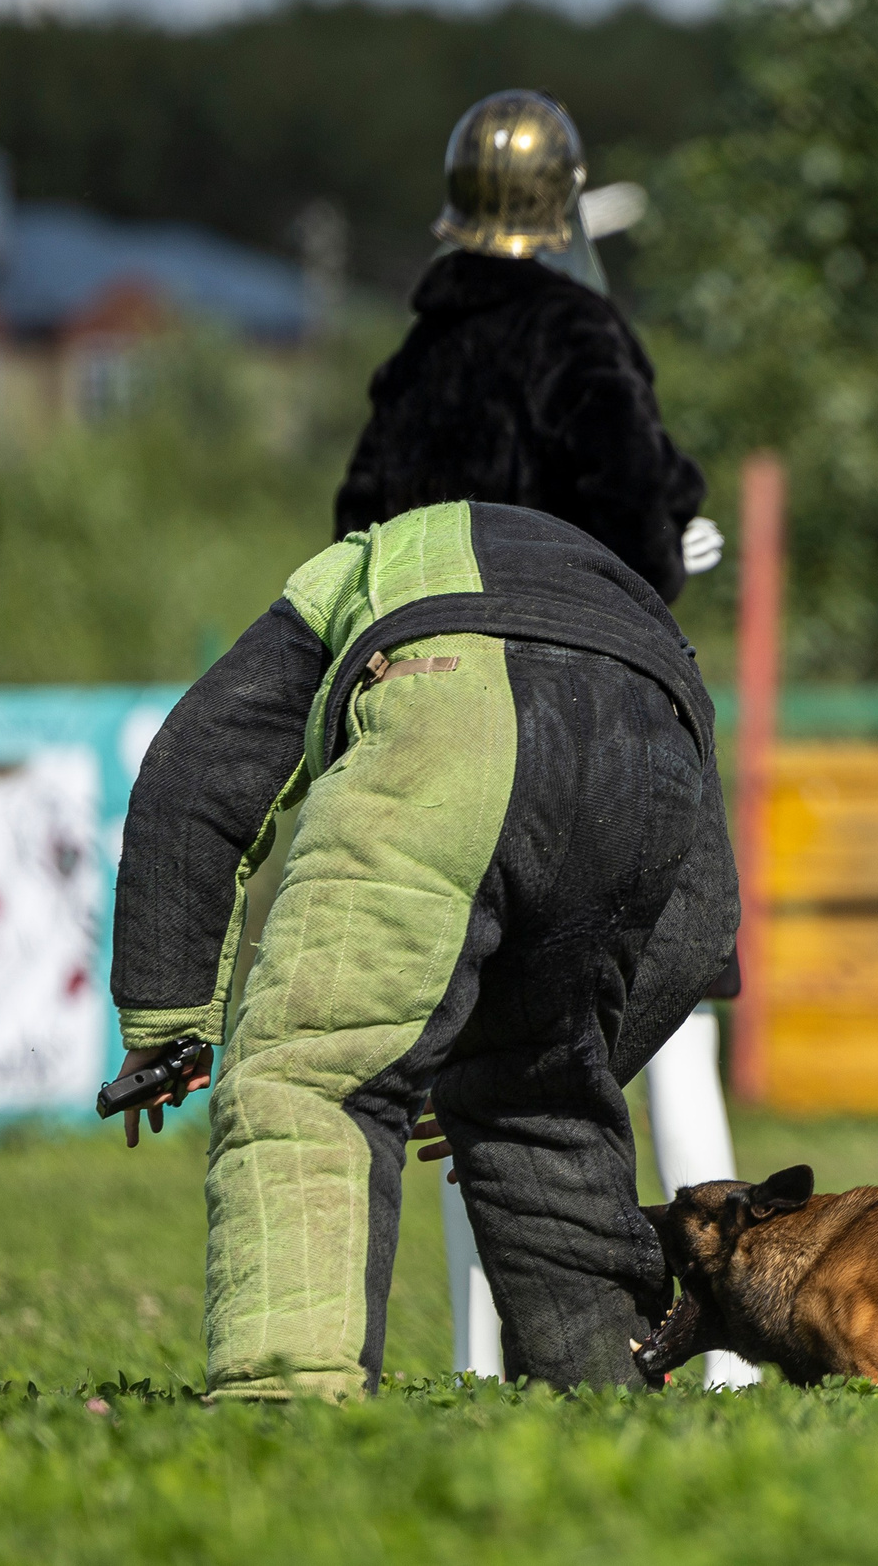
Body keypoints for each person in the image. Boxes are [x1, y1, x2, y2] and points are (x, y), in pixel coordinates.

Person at [105, 500, 739, 1400]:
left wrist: (166, 1019)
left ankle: (287, 1400)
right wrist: (584, 1057)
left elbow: (201, 768)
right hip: (645, 738)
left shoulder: (365, 563)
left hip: (444, 709)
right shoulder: (639, 606)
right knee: (541, 1108)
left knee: (313, 1073)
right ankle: (605, 1395)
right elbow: (706, 913)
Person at [332, 89, 721, 601]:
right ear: (566, 188)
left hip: (412, 618)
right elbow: (627, 480)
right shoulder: (576, 328)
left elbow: (358, 516)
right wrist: (665, 555)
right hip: (546, 617)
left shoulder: (421, 346)